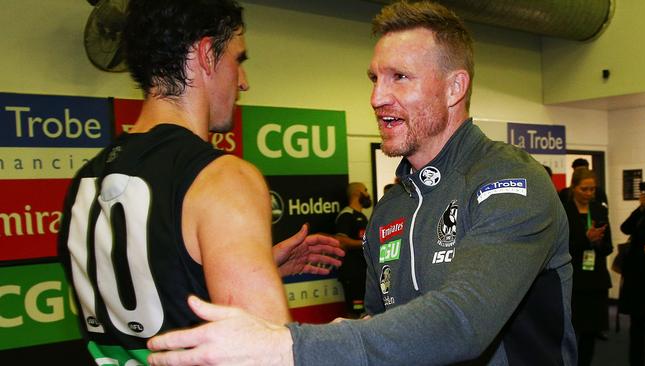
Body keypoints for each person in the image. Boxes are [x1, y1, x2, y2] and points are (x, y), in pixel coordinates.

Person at [146, 2, 576, 365]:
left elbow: (463, 321)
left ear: (454, 88)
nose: (376, 98)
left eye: (400, 77)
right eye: (374, 78)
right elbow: (383, 329)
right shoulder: (390, 209)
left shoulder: (508, 182)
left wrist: (289, 347)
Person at [57, 0, 343, 364]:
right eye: (238, 60)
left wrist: (254, 266)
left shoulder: (86, 182)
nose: (244, 82)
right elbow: (264, 359)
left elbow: (152, 296)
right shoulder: (223, 178)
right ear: (207, 54)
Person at [562, 168, 612, 366]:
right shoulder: (564, 211)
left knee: (591, 332)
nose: (589, 193)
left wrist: (598, 243)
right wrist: (586, 239)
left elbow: (608, 247)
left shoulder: (600, 210)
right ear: (574, 188)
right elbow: (562, 248)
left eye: (592, 189)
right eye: (585, 189)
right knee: (571, 330)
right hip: (573, 280)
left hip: (595, 279)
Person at [619, 181, 645, 366]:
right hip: (639, 277)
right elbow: (625, 228)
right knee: (637, 324)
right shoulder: (641, 213)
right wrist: (640, 209)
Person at [335, 182, 371, 317]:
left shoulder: (363, 216)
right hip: (352, 272)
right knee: (355, 311)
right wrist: (365, 243)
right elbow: (341, 241)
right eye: (365, 190)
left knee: (363, 310)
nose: (368, 194)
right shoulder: (346, 215)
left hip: (363, 272)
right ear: (357, 192)